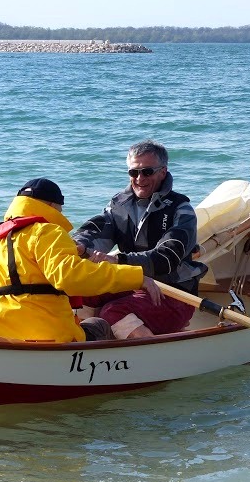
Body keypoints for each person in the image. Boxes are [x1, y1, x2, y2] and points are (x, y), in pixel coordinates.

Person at [0, 178, 161, 343]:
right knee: (98, 324)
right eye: (60, 208)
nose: (61, 214)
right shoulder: (47, 232)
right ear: (51, 206)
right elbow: (72, 277)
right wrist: (137, 278)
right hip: (48, 339)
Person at [73, 140, 206, 339]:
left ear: (163, 171)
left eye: (147, 172)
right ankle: (83, 346)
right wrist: (78, 246)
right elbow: (95, 232)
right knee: (77, 293)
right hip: (131, 284)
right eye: (133, 172)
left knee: (113, 311)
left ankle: (147, 355)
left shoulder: (181, 209)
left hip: (173, 293)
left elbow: (167, 258)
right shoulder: (119, 204)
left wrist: (118, 261)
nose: (139, 178)